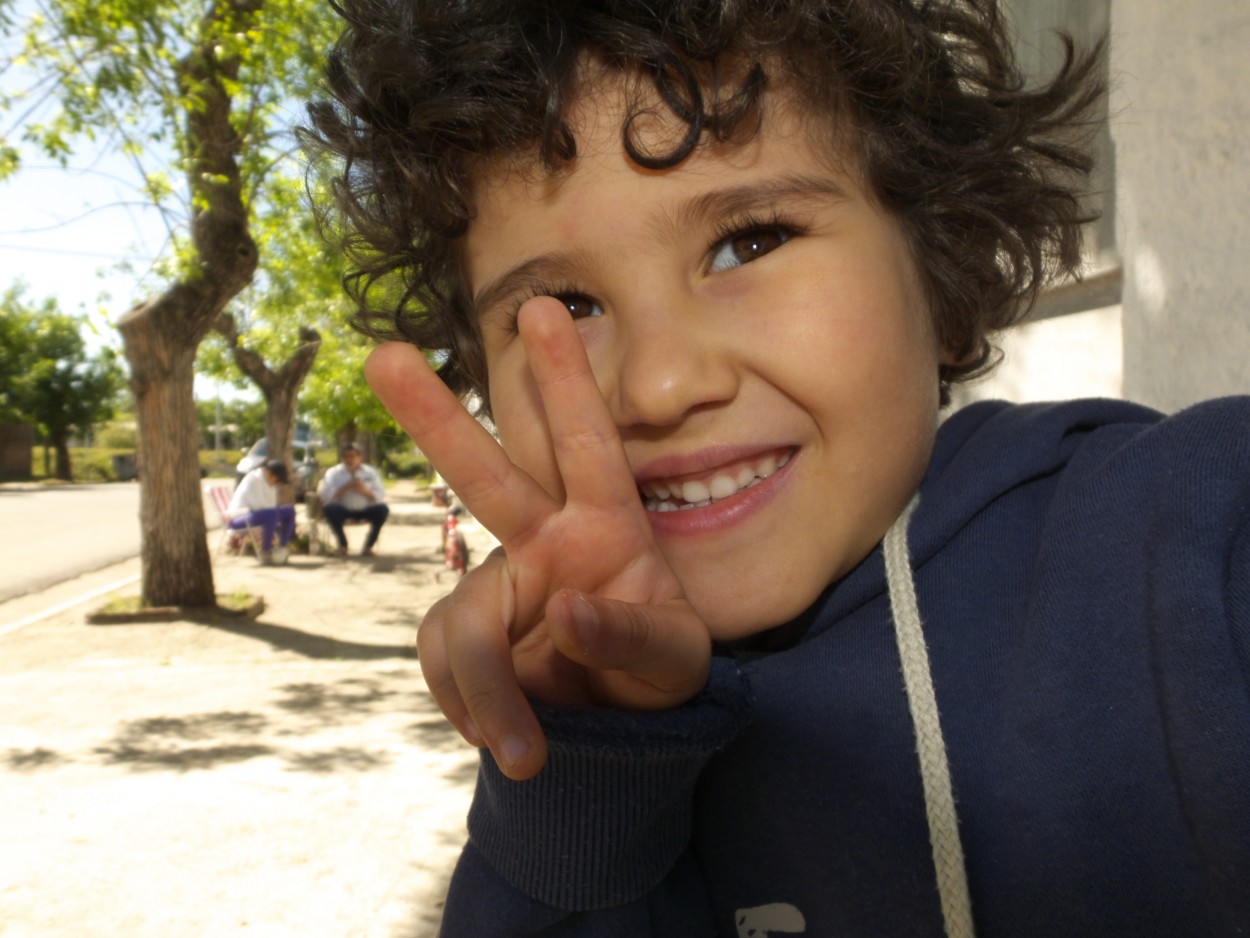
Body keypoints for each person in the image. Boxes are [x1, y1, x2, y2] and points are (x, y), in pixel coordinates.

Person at [307, 2, 1250, 935]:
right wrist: (586, 767)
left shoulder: (1189, 545)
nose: (662, 384)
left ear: (942, 268)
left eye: (748, 242)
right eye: (563, 303)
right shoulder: (564, 693)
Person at [318, 442, 389, 557]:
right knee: (329, 509)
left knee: (383, 509)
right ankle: (343, 545)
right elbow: (326, 496)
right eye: (346, 457)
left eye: (353, 456)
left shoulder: (371, 473)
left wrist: (365, 491)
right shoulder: (333, 473)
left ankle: (368, 547)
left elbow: (380, 495)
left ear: (360, 458)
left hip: (365, 509)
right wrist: (345, 488)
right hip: (343, 510)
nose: (349, 460)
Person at [227, 458, 295, 565]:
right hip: (239, 517)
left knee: (289, 511)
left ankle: (282, 547)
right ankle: (265, 550)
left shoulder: (270, 483)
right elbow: (259, 507)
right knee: (272, 514)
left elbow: (271, 506)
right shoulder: (254, 480)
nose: (277, 484)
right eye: (277, 480)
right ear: (269, 474)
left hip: (260, 516)